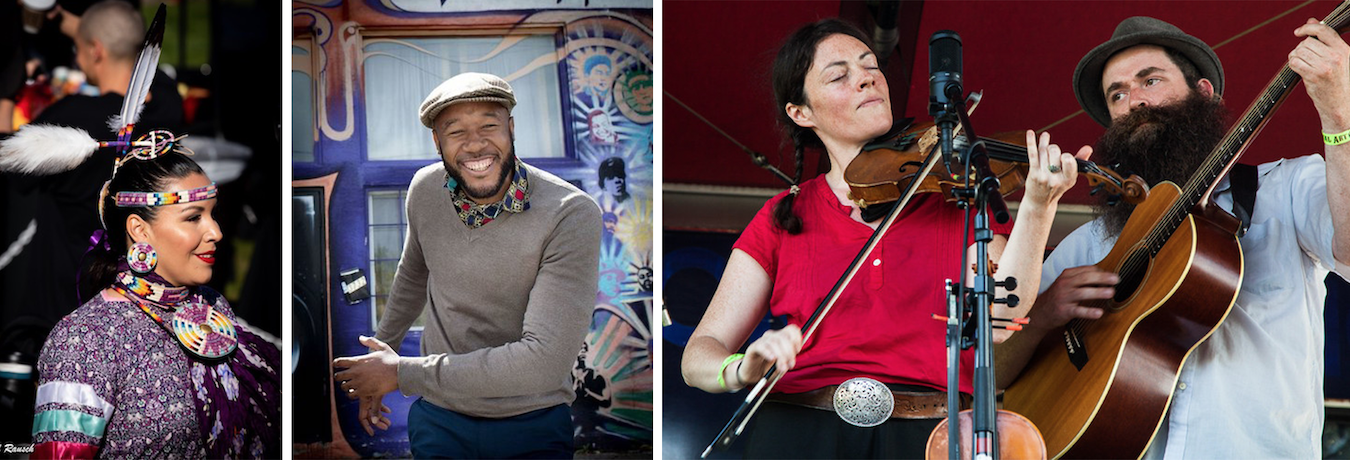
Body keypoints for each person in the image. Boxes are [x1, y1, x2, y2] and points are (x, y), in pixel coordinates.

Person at [679, 18, 1087, 458]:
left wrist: (1039, 206)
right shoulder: (784, 215)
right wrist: (741, 368)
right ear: (801, 113)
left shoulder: (959, 199)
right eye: (839, 76)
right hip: (800, 431)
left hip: (929, 435)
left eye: (870, 66)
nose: (866, 78)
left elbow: (1000, 318)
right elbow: (697, 356)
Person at [995, 16, 1349, 459]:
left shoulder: (1286, 188)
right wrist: (1045, 313)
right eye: (1117, 94)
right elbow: (993, 373)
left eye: (1151, 80)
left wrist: (1339, 114)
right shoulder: (1090, 243)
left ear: (1204, 92)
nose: (1135, 101)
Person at [332, 72, 602, 459]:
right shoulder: (425, 190)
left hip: (532, 421)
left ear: (511, 128)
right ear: (436, 141)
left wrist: (400, 372)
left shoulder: (570, 214)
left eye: (488, 126)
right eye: (455, 131)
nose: (474, 144)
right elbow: (413, 274)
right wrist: (381, 355)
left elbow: (543, 361)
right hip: (440, 419)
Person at [29, 138, 280, 458]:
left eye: (213, 214)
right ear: (139, 230)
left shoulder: (211, 306)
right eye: (193, 217)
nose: (215, 232)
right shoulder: (85, 339)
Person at [3, 0, 183, 334]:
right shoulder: (169, 109)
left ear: (95, 50)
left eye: (78, 47)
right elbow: (152, 76)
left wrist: (5, 94)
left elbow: (11, 165)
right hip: (142, 296)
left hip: (68, 304)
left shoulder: (72, 116)